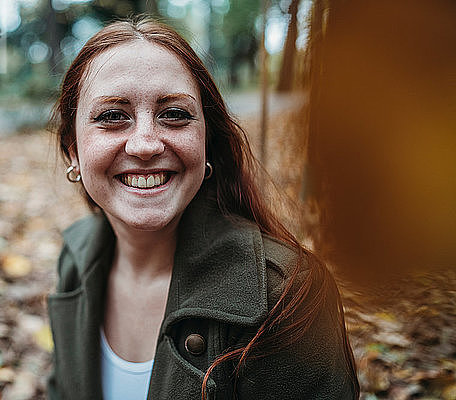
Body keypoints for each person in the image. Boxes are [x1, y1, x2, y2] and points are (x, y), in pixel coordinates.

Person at [47, 17, 359, 400]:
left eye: (174, 113)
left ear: (206, 141)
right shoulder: (75, 256)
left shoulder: (288, 296)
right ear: (73, 151)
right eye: (113, 116)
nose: (145, 144)